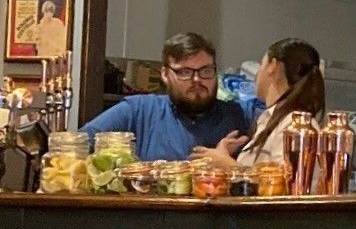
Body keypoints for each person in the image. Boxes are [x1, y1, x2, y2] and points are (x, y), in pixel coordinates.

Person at [81, 31, 255, 160]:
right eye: (185, 72)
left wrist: (227, 166)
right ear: (165, 74)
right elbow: (76, 146)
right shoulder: (138, 110)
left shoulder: (241, 115)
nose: (197, 80)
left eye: (206, 71)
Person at [199, 38, 323, 172]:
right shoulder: (269, 119)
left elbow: (285, 185)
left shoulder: (294, 126)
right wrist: (225, 155)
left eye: (261, 64)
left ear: (272, 66)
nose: (257, 74)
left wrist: (226, 163)